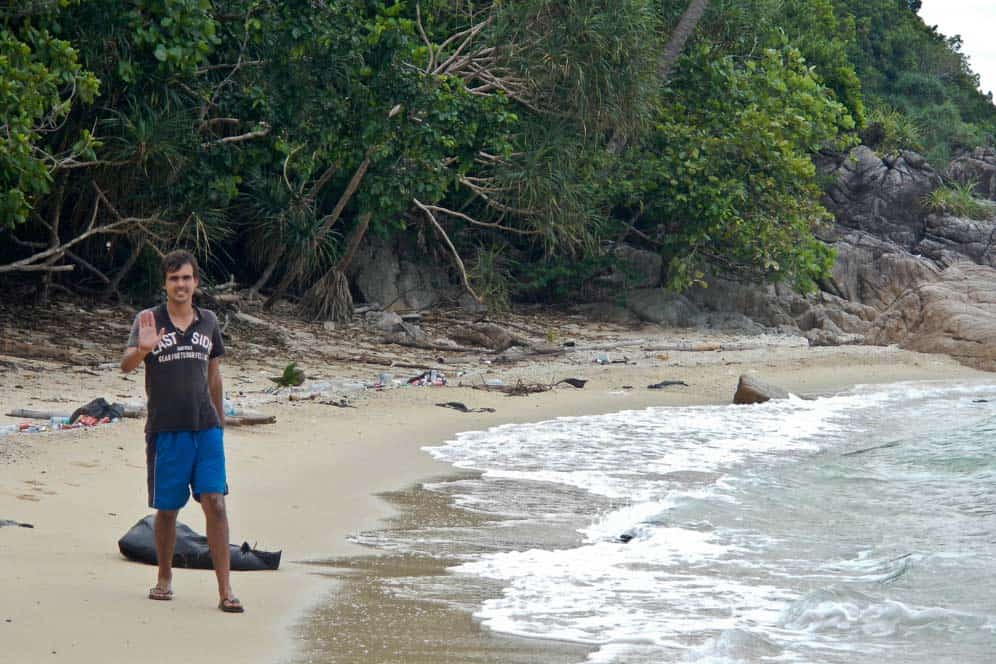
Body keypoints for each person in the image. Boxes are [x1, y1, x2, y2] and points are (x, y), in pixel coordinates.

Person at [121, 249, 244, 613]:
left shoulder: (209, 321)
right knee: (168, 509)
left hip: (206, 428)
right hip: (166, 429)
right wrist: (142, 350)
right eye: (174, 278)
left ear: (196, 282)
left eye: (187, 278)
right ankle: (164, 578)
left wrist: (220, 422)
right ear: (165, 283)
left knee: (215, 503)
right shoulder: (148, 320)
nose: (181, 284)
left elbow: (214, 375)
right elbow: (125, 365)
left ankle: (226, 590)